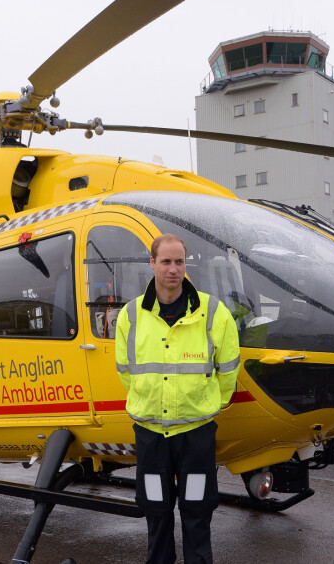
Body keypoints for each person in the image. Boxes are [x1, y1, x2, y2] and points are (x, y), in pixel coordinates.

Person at [115, 233, 240, 564]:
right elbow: (125, 371)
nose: (173, 269)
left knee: (197, 513)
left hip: (196, 435)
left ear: (186, 265)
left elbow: (228, 373)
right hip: (151, 434)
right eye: (166, 261)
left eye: (179, 262)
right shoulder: (130, 316)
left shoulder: (214, 313)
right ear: (152, 263)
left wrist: (205, 404)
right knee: (156, 513)